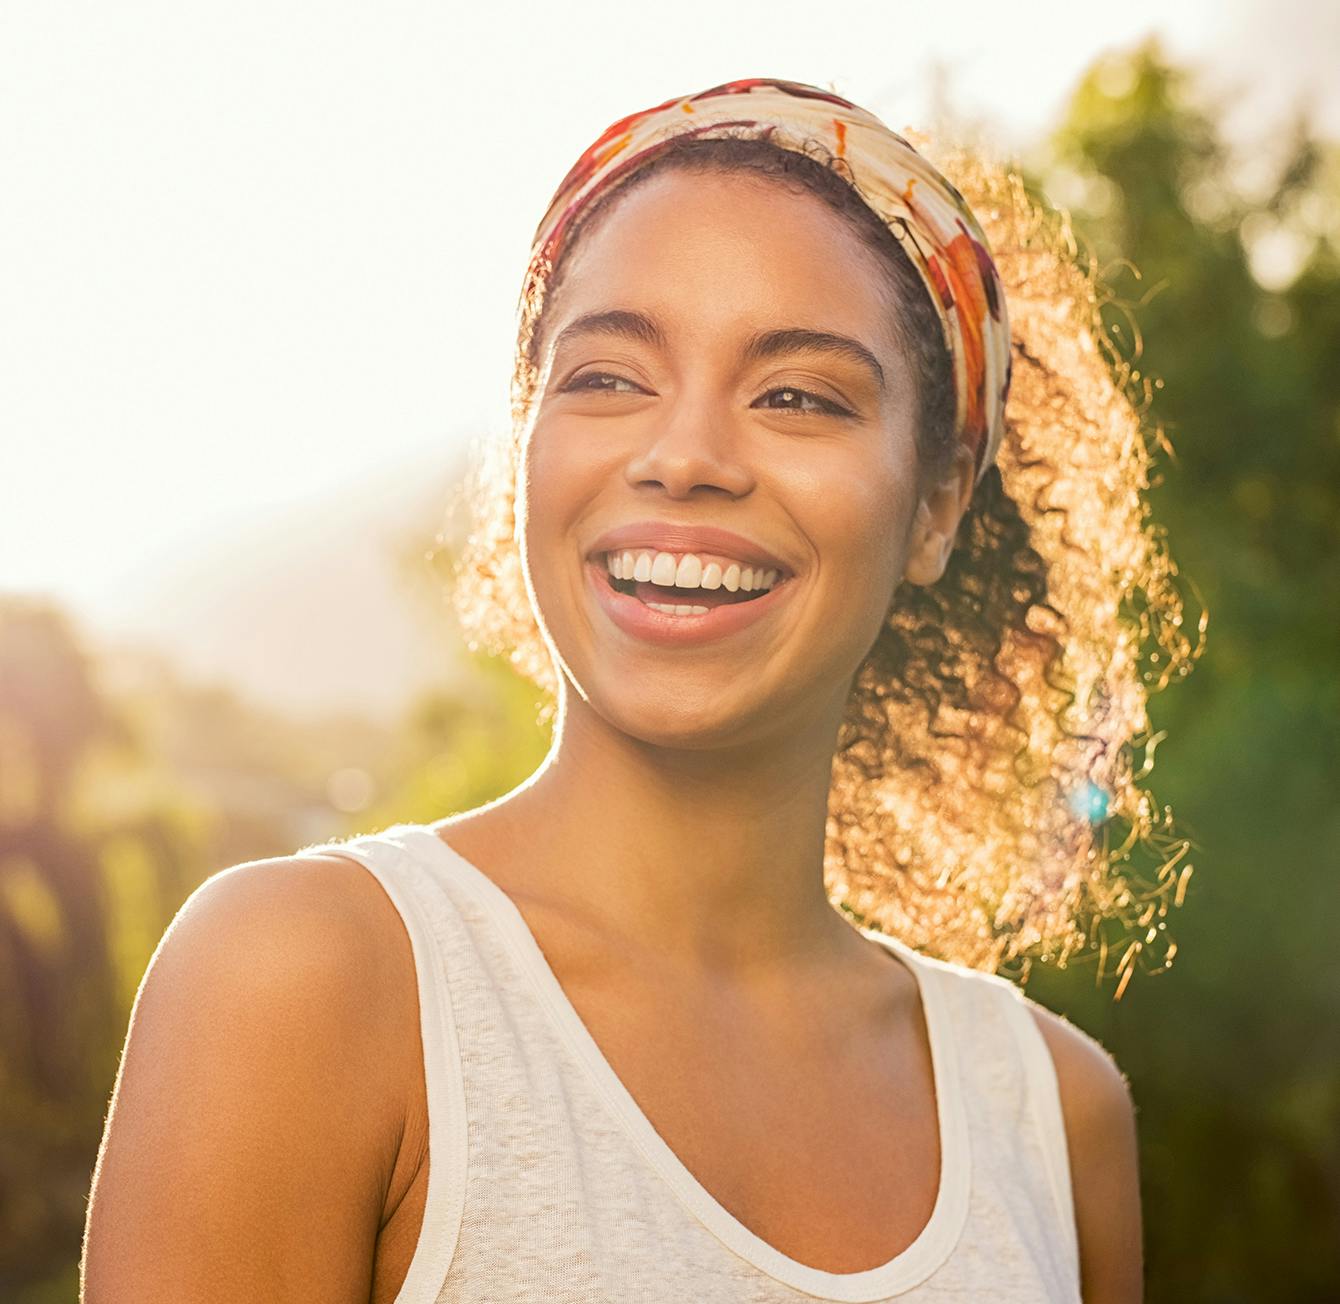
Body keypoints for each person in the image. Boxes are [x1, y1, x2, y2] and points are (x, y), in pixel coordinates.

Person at [82, 76, 1191, 1303]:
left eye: (797, 396)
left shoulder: (1052, 1115)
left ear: (932, 505)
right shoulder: (304, 981)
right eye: (608, 377)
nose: (683, 456)